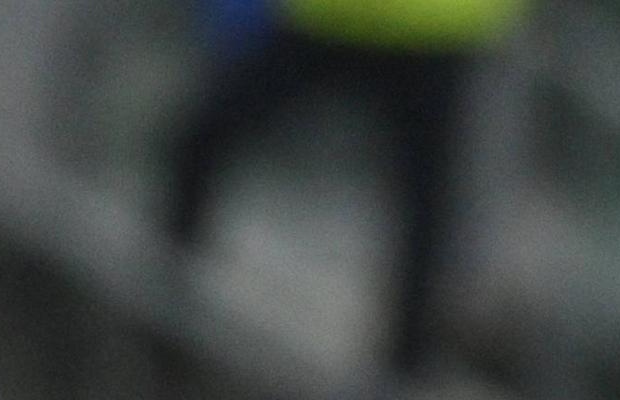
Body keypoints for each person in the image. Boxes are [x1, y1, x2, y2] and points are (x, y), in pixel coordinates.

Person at [161, 0, 528, 380]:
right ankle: (169, 278)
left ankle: (404, 372)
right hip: (365, 21)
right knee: (207, 134)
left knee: (427, 211)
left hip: (428, 32)